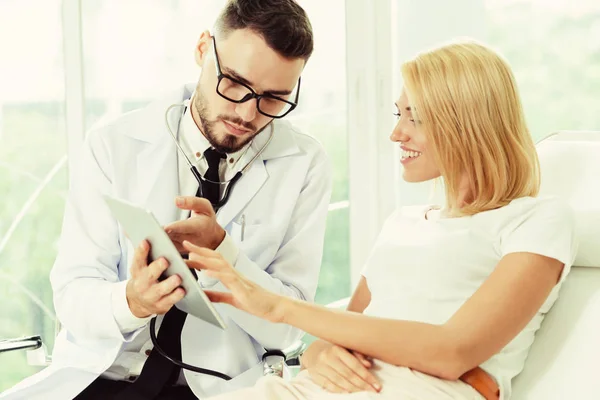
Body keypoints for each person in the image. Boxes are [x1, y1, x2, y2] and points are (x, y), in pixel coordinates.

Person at [180, 40, 578, 400]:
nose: (395, 133)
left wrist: (279, 307)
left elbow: (451, 353)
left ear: (466, 123)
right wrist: (320, 353)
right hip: (314, 388)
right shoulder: (403, 223)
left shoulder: (536, 221)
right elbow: (333, 337)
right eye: (397, 114)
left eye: (414, 117)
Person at [1, 1, 332, 399]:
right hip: (104, 377)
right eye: (235, 84)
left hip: (219, 388)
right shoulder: (113, 146)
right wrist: (132, 301)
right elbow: (72, 296)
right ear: (202, 50)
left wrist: (224, 258)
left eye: (274, 99)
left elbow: (290, 329)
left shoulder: (305, 164)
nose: (247, 113)